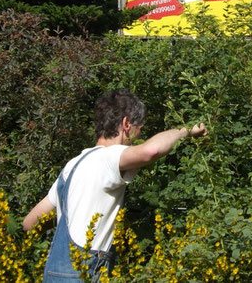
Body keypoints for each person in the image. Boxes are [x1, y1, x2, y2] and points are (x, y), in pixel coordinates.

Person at [23, 89, 207, 281]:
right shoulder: (107, 158)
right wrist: (186, 131)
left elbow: (29, 224)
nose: (137, 136)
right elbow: (150, 151)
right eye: (139, 129)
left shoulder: (72, 165)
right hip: (84, 273)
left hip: (54, 273)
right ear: (127, 124)